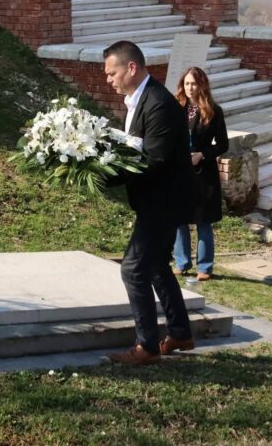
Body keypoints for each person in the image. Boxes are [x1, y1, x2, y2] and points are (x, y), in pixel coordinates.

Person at [102, 40, 195, 365]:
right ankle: (180, 333)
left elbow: (154, 160)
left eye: (112, 73)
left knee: (133, 269)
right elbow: (134, 148)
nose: (109, 80)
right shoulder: (138, 99)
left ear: (131, 68)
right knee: (155, 266)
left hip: (163, 202)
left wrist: (106, 175)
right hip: (157, 200)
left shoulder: (158, 104)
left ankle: (147, 347)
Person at [173, 66, 229, 280]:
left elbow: (223, 144)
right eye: (187, 83)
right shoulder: (176, 107)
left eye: (194, 83)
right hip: (180, 170)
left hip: (203, 172)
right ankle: (182, 262)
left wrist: (202, 155)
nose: (190, 88)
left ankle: (204, 267)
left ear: (202, 85)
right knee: (179, 218)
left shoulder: (213, 110)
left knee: (203, 220)